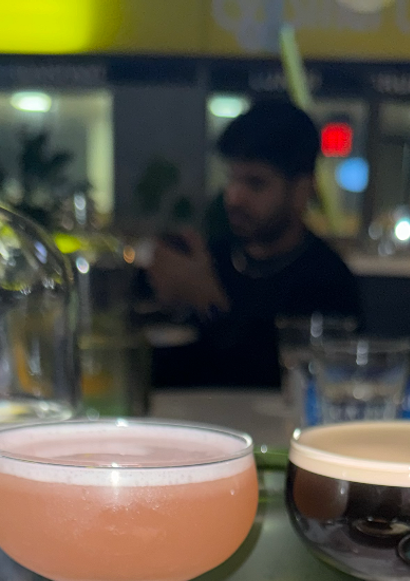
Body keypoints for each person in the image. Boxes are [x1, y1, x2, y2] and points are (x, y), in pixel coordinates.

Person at [147, 101, 362, 388]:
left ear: (301, 190)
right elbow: (169, 378)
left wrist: (209, 305)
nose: (234, 197)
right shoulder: (216, 258)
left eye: (255, 184)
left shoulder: (326, 279)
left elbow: (279, 385)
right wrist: (167, 305)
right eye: (232, 179)